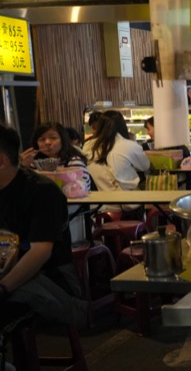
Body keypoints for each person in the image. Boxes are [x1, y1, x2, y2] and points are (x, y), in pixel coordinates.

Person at [0, 122, 87, 333]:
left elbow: (40, 252)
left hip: (51, 282)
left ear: (2, 161)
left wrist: (2, 289)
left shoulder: (41, 192)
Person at [19, 122, 92, 242]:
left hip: (71, 216)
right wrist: (22, 168)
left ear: (63, 139)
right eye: (42, 139)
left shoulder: (73, 160)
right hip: (40, 215)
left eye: (53, 138)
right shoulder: (33, 163)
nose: (47, 142)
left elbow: (82, 189)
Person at [83, 110, 150, 216]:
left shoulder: (87, 146)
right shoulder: (129, 145)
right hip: (129, 205)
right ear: (123, 126)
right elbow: (146, 166)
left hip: (101, 206)